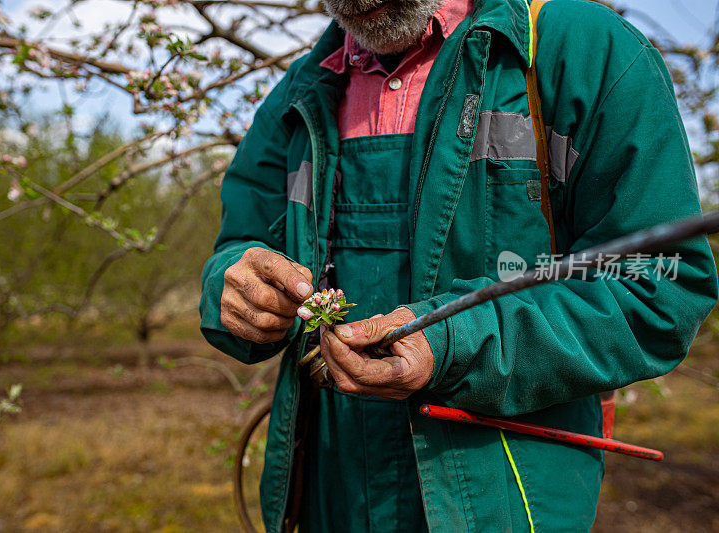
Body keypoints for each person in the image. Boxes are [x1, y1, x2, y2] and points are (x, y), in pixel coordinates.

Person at [199, 0, 719, 531]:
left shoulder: (580, 51)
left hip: (500, 501)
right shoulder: (303, 90)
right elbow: (239, 243)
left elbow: (657, 288)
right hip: (322, 494)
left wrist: (451, 343)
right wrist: (232, 288)